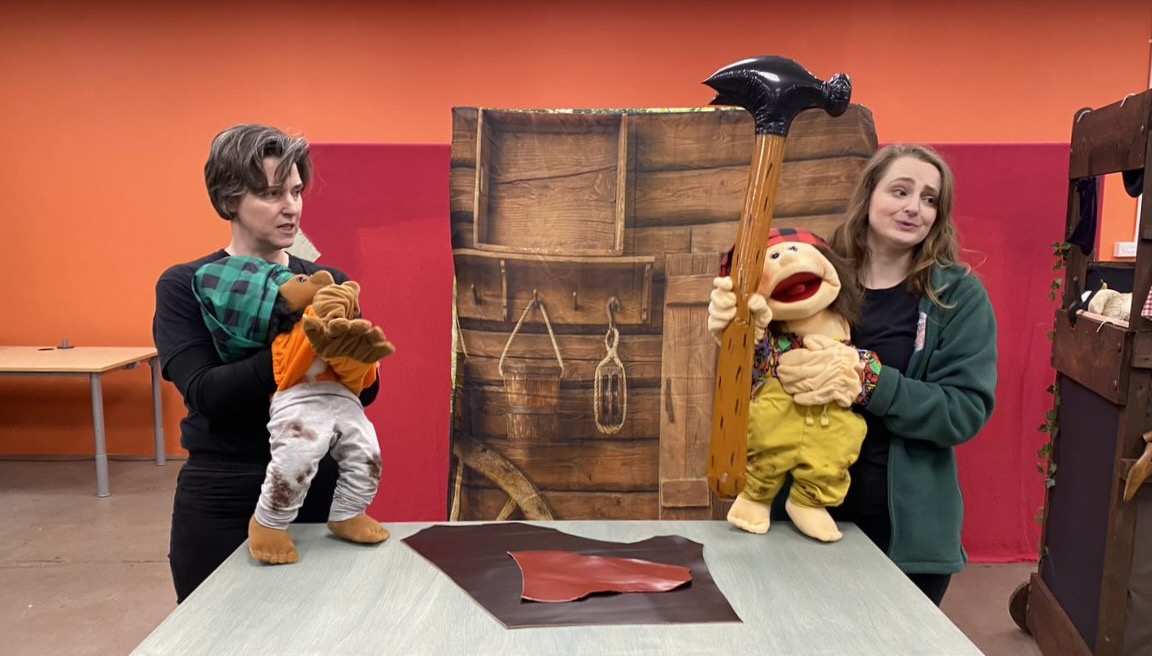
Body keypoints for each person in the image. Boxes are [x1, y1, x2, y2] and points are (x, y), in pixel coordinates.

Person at [709, 144, 997, 606]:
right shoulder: (813, 274)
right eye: (900, 191)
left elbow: (964, 411)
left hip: (902, 536)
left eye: (929, 199)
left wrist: (868, 381)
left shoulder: (957, 295)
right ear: (868, 196)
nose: (913, 208)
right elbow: (759, 383)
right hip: (794, 517)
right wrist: (737, 333)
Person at [153, 124, 382, 602]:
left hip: (316, 490)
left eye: (296, 191)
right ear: (229, 198)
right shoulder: (186, 285)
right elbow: (207, 393)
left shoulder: (327, 281)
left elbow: (358, 395)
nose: (291, 206)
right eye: (271, 193)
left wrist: (357, 362)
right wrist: (295, 349)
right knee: (215, 637)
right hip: (224, 495)